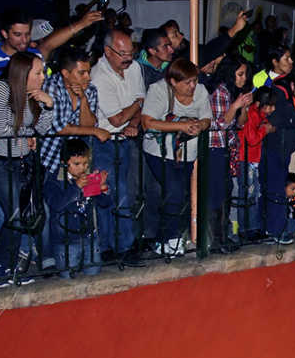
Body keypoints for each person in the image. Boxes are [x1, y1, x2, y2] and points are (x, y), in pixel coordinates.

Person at [0, 51, 54, 286]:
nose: (42, 77)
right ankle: (1, 267)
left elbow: (42, 130)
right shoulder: (1, 90)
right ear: (23, 73)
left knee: (28, 212)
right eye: (37, 72)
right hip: (0, 164)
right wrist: (26, 136)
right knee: (15, 212)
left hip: (23, 164)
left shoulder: (32, 95)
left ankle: (13, 265)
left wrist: (48, 105)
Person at [141, 58, 211, 257]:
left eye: (194, 81)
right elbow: (148, 122)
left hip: (187, 152)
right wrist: (180, 126)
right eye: (187, 82)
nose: (192, 86)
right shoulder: (158, 90)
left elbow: (207, 118)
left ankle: (171, 237)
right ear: (173, 81)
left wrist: (199, 126)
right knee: (174, 191)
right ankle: (166, 238)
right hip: (159, 151)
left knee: (180, 194)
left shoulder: (201, 92)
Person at [90, 29, 145, 264]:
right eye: (122, 53)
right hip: (102, 141)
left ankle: (122, 245)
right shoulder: (98, 75)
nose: (128, 57)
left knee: (125, 193)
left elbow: (138, 107)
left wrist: (133, 122)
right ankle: (110, 247)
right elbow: (115, 119)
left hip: (124, 139)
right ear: (107, 51)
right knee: (105, 194)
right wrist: (133, 108)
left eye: (130, 52)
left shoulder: (134, 68)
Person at [44, 137, 110, 278]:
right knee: (68, 278)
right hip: (65, 239)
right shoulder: (55, 180)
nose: (83, 168)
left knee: (94, 275)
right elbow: (56, 204)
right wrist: (76, 187)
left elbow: (104, 203)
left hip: (89, 236)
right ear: (64, 163)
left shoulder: (88, 177)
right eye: (77, 164)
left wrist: (102, 188)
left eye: (86, 163)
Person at [263, 67, 295, 241]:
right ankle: (275, 230)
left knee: (280, 188)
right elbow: (281, 118)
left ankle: (276, 228)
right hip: (273, 147)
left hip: (286, 149)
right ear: (293, 85)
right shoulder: (280, 97)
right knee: (276, 189)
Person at [208, 56, 253, 250]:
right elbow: (221, 123)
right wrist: (235, 105)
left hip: (227, 149)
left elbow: (241, 123)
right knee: (217, 195)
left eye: (245, 75)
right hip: (215, 148)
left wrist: (243, 107)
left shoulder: (233, 92)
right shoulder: (221, 91)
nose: (243, 78)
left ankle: (223, 237)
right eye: (240, 74)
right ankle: (216, 240)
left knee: (226, 193)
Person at [41, 47, 107, 175]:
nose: (88, 77)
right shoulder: (51, 87)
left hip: (75, 162)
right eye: (82, 73)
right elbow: (61, 129)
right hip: (48, 158)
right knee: (50, 194)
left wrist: (83, 99)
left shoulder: (90, 90)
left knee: (76, 194)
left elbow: (88, 125)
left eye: (89, 72)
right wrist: (96, 131)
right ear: (65, 73)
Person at [0, 7, 102, 79]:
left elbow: (49, 44)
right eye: (17, 35)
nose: (24, 40)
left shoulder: (34, 55)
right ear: (5, 34)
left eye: (27, 34)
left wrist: (82, 24)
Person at [232, 86, 274, 238]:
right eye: (269, 105)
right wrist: (265, 130)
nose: (272, 109)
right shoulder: (252, 114)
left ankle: (252, 227)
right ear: (260, 103)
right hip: (246, 158)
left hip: (252, 159)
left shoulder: (259, 115)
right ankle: (247, 229)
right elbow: (252, 139)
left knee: (253, 194)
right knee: (248, 195)